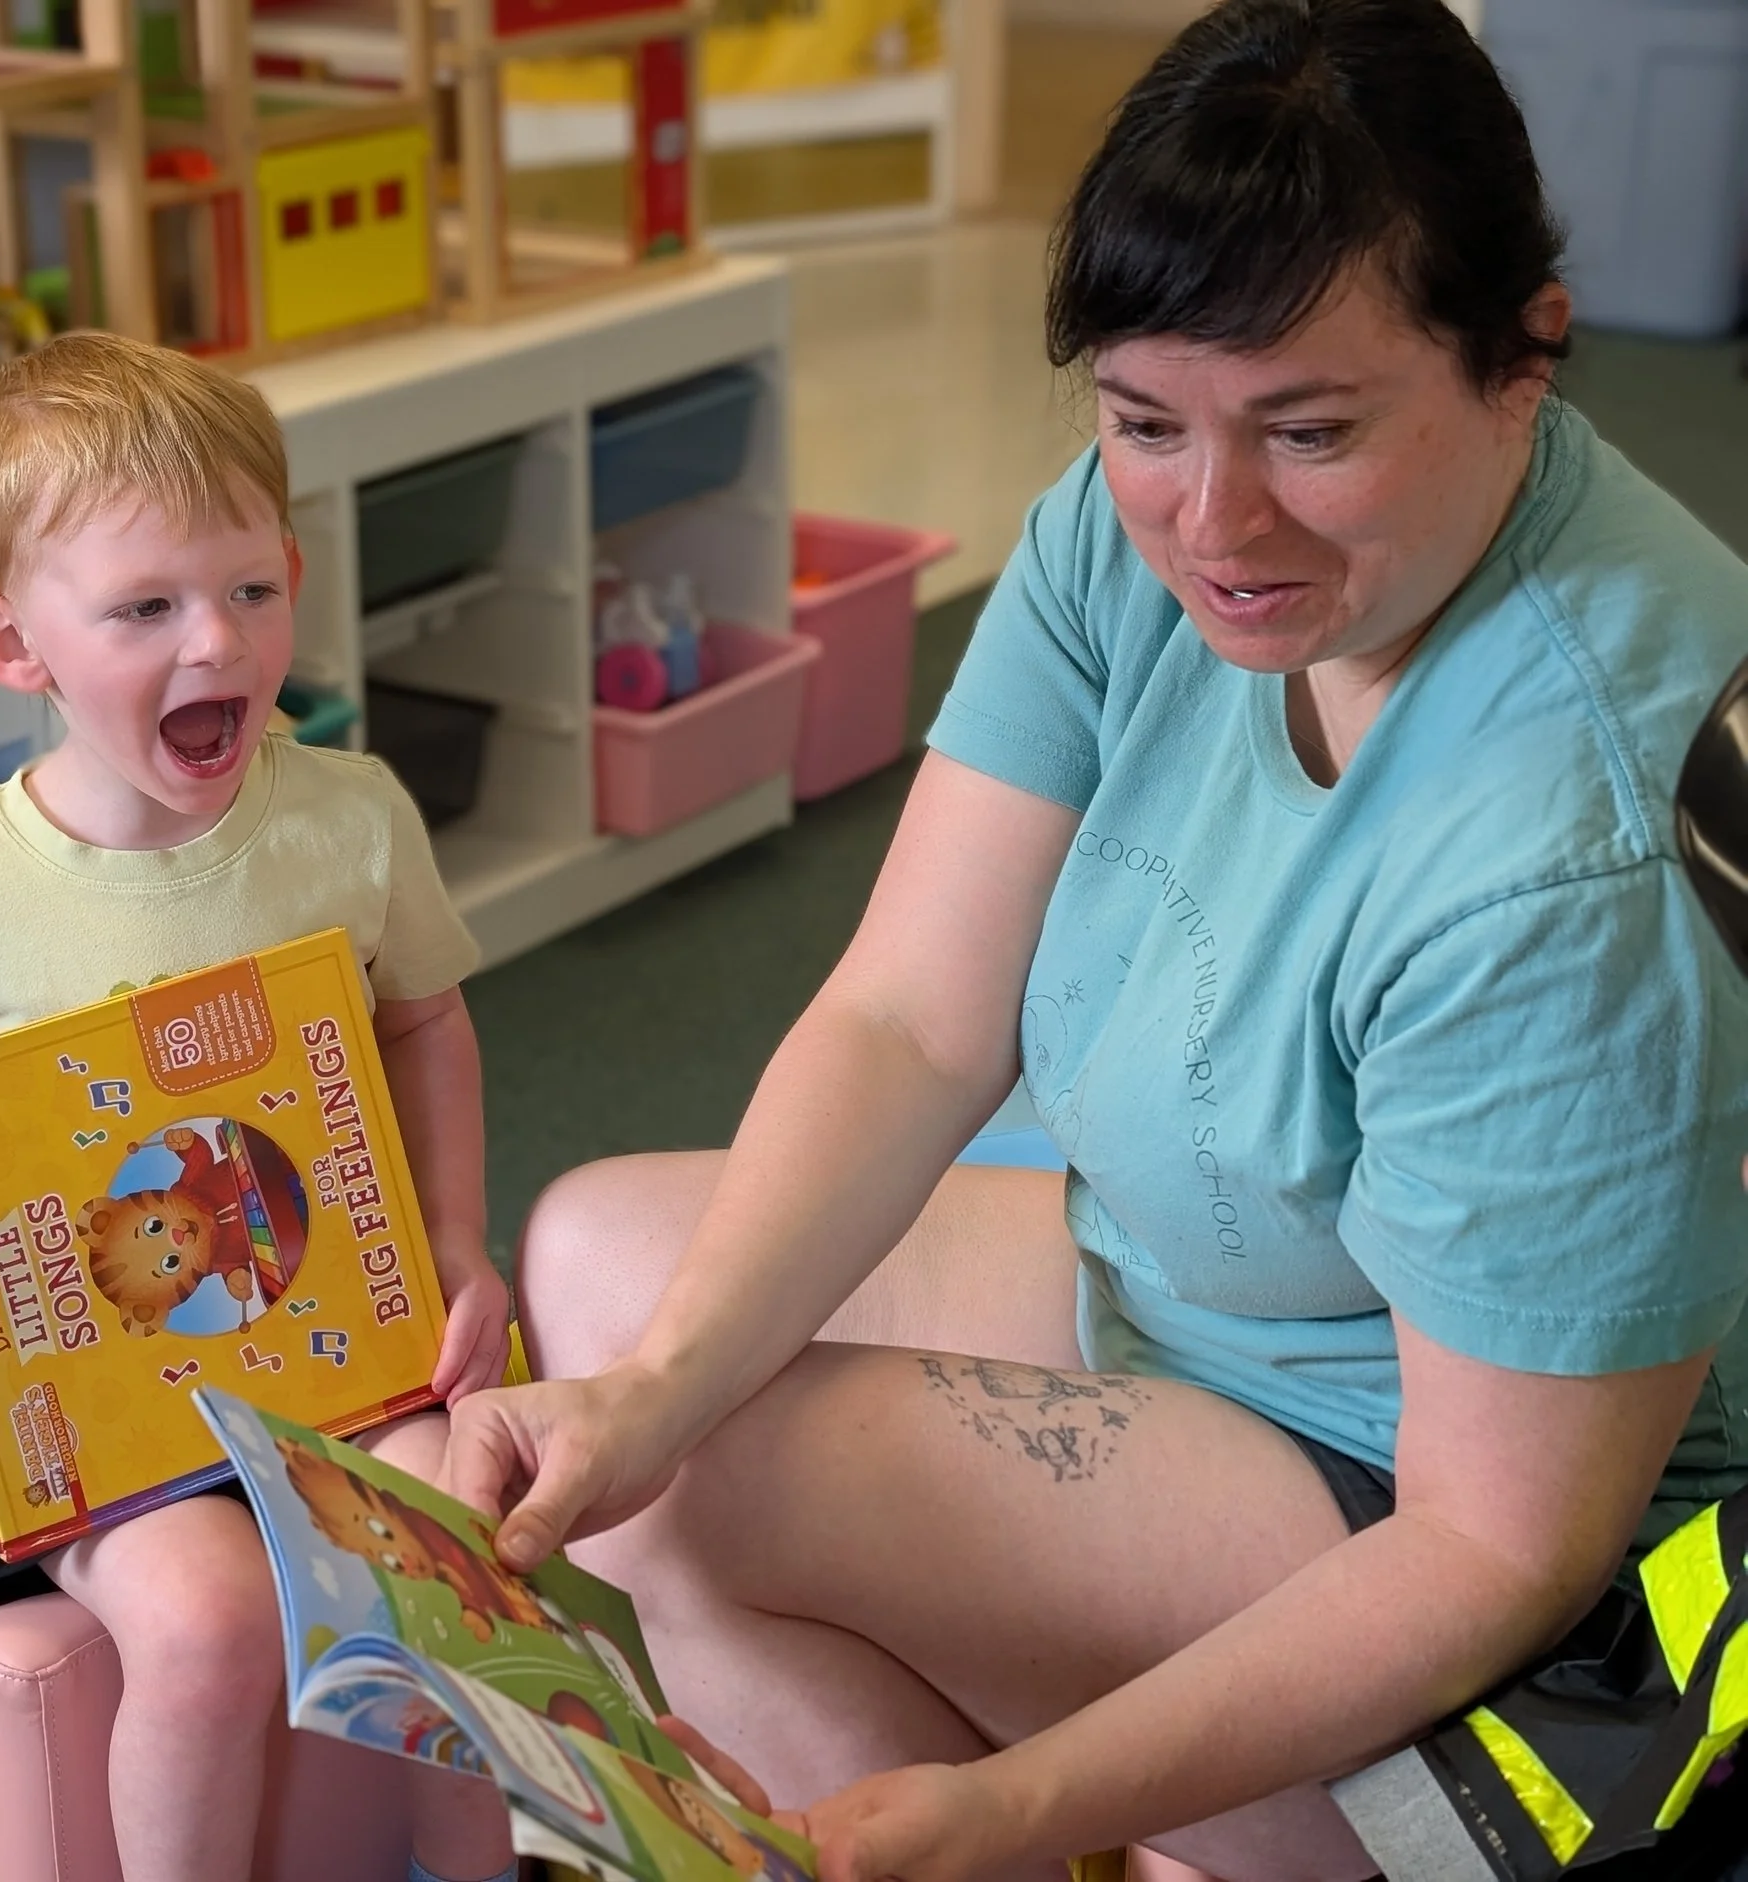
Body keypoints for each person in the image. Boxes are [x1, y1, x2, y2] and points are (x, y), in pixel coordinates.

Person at [444, 4, 1748, 1879]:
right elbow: (906, 1016)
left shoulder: (1566, 841)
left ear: (1525, 358)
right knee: (609, 1285)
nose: (1213, 521)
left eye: (1313, 432)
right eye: (1145, 423)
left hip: (1494, 1586)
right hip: (1211, 1284)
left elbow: (1500, 1545)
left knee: (706, 1503)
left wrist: (1018, 1802)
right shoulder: (1131, 526)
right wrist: (651, 1388)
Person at [0, 331, 517, 1882]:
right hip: (100, 1399)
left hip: (340, 1336)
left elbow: (424, 1022)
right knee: (207, 1627)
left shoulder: (350, 818)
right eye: (146, 607)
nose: (216, 641)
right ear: (13, 643)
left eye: (251, 590)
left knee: (461, 1552)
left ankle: (476, 1866)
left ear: (292, 570)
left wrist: (459, 1240)